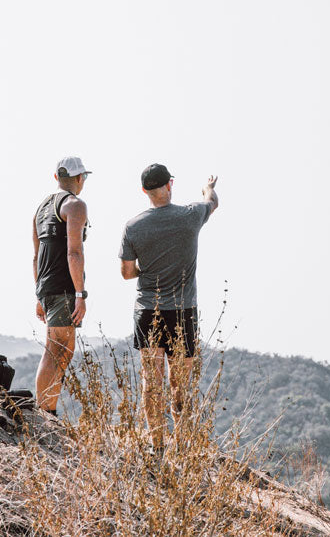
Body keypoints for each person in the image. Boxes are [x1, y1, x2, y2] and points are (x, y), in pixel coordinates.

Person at [119, 164, 218, 447]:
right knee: (181, 383)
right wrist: (208, 187)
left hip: (148, 310)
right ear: (170, 184)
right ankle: (183, 443)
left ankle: (157, 446)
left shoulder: (133, 226)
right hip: (183, 310)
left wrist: (148, 271)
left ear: (144, 191)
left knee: (152, 382)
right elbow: (213, 201)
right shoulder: (190, 216)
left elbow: (127, 273)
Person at [32, 156, 90, 417]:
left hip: (45, 285)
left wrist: (38, 295)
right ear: (80, 179)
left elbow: (36, 256)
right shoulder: (75, 205)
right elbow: (74, 252)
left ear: (57, 178)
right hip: (63, 287)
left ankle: (46, 409)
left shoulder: (41, 208)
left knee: (58, 348)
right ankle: (46, 413)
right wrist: (80, 294)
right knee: (58, 350)